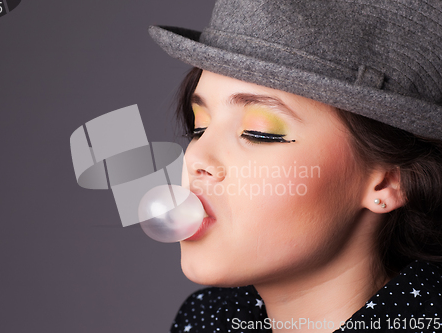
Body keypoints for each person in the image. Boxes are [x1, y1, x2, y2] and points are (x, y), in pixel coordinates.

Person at [148, 0, 442, 332]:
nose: (195, 158)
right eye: (199, 127)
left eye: (259, 133)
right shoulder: (206, 321)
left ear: (387, 182)